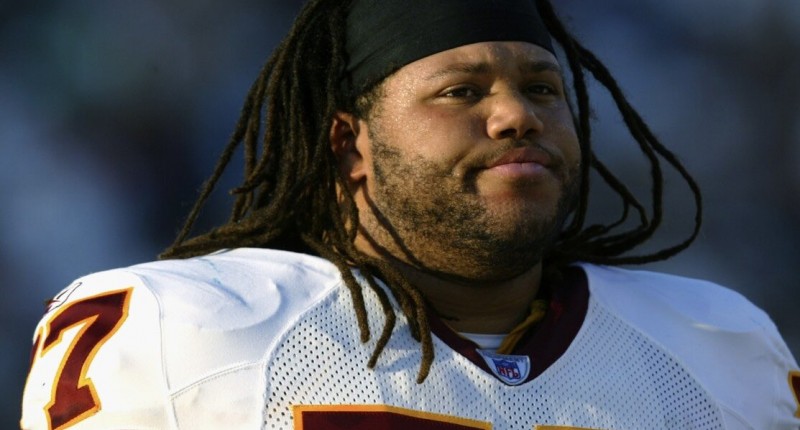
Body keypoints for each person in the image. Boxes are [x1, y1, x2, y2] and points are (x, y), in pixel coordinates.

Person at [21, 0, 800, 428]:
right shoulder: (185, 332)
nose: (516, 116)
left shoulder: (720, 347)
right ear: (349, 145)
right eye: (461, 92)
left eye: (542, 89)